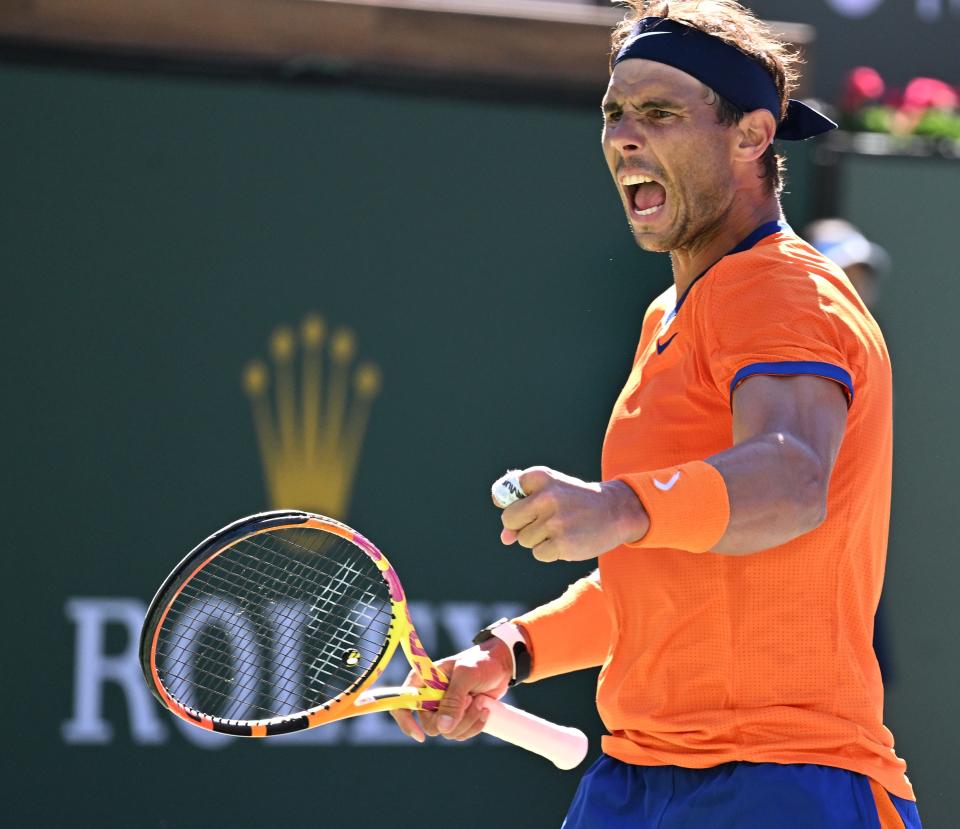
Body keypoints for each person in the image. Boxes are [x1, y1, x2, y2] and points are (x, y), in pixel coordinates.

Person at [391, 2, 920, 826]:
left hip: (783, 780)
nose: (623, 136)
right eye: (614, 112)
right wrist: (512, 651)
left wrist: (616, 505)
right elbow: (663, 576)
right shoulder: (669, 314)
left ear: (751, 136)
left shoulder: (781, 287)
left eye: (660, 112)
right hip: (638, 776)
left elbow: (792, 476)